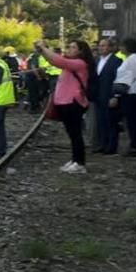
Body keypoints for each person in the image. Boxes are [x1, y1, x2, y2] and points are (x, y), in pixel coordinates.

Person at [35, 39, 94, 173]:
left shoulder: (79, 63)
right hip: (65, 102)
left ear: (80, 51)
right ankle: (75, 160)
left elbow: (59, 61)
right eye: (69, 47)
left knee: (75, 133)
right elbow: (54, 61)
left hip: (73, 102)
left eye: (73, 47)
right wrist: (43, 52)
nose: (69, 49)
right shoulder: (71, 64)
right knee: (72, 133)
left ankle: (80, 163)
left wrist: (44, 48)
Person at [110, 37, 136, 156]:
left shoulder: (133, 59)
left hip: (132, 92)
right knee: (129, 119)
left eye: (122, 46)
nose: (120, 48)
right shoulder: (129, 59)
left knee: (132, 120)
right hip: (128, 92)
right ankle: (134, 144)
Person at [91, 38, 123, 154]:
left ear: (110, 48)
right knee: (100, 121)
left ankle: (111, 147)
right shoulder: (97, 60)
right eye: (100, 46)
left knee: (111, 122)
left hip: (110, 95)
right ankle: (102, 144)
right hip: (99, 96)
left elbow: (119, 79)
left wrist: (115, 96)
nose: (101, 48)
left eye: (104, 46)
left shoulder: (116, 61)